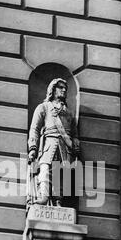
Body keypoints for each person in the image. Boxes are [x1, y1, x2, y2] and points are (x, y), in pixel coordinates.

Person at [27, 78, 80, 207]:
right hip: (49, 144)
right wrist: (33, 147)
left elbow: (74, 134)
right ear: (53, 89)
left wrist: (76, 144)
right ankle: (44, 196)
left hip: (65, 146)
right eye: (60, 87)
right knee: (45, 169)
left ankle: (58, 201)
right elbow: (35, 128)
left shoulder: (69, 113)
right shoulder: (43, 107)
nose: (63, 90)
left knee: (61, 173)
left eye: (65, 88)